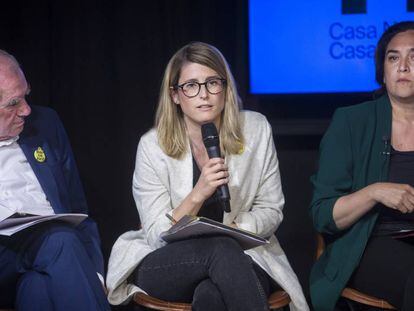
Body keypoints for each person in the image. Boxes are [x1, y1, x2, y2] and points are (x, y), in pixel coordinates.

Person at [106, 42, 309, 311]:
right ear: (175, 95)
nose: (204, 95)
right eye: (191, 86)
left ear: (225, 88)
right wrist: (198, 193)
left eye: (213, 82)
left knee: (211, 295)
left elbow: (271, 209)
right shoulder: (152, 146)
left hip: (243, 257)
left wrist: (236, 230)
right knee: (220, 250)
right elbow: (156, 235)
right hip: (168, 260)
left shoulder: (256, 129)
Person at [310, 21, 414, 311]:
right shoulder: (351, 122)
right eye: (393, 57)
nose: (403, 66)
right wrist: (375, 192)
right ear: (382, 70)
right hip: (366, 245)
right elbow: (323, 215)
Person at [0, 50, 110, 310]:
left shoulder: (45, 123)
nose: (26, 109)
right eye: (13, 103)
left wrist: (91, 274)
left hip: (50, 258)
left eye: (26, 95)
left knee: (36, 288)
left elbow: (77, 208)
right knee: (59, 239)